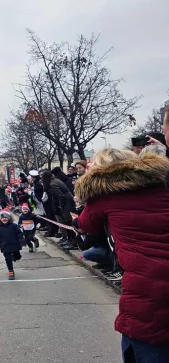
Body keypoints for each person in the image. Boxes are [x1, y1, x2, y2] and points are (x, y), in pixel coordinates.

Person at [75, 150, 169, 362]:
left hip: (146, 284)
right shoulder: (162, 185)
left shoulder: (103, 197)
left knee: (144, 336)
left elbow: (84, 224)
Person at [0, 210, 25, 280]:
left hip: (14, 244)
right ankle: (11, 271)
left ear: (9, 218)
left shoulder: (14, 226)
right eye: (2, 217)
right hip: (5, 246)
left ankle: (15, 256)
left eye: (6, 217)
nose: (4, 219)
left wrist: (22, 242)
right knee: (8, 258)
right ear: (0, 219)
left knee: (17, 256)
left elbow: (19, 234)